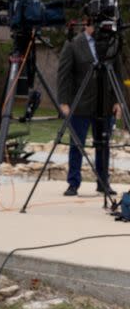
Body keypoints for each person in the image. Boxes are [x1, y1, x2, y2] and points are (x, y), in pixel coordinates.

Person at [57, 22, 123, 196]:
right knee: (76, 144)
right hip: (79, 105)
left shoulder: (111, 43)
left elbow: (118, 73)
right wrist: (63, 101)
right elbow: (64, 74)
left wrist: (118, 101)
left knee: (103, 145)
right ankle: (73, 183)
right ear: (87, 23)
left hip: (105, 104)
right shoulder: (73, 43)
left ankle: (103, 183)